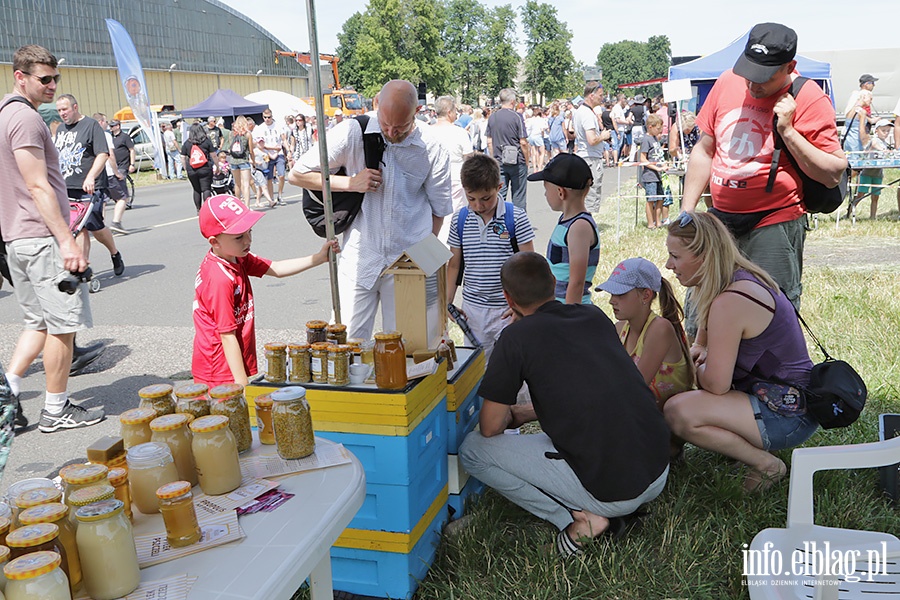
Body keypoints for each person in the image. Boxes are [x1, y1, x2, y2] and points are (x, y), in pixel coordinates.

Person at [458, 252, 670, 558]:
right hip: (656, 469)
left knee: (472, 450)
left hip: (615, 491)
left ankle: (580, 519)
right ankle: (591, 508)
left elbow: (490, 428)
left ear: (508, 297)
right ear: (554, 283)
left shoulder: (515, 338)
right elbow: (600, 390)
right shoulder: (594, 315)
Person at [680, 22, 846, 309]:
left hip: (774, 221)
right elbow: (705, 150)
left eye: (763, 78)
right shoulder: (727, 81)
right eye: (748, 74)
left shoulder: (808, 97)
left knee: (771, 311)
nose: (753, 85)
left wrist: (789, 132)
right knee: (702, 311)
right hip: (719, 221)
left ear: (789, 66)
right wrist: (687, 210)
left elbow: (833, 173)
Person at [663, 211, 818, 492]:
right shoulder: (738, 279)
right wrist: (700, 348)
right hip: (787, 400)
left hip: (788, 416)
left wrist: (690, 364)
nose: (668, 264)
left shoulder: (731, 300)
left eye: (675, 256)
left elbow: (716, 385)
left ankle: (767, 465)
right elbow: (709, 338)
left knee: (677, 411)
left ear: (705, 255)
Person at [290, 79, 452, 340]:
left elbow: (439, 211)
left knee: (410, 347)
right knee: (348, 343)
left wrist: (422, 263)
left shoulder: (432, 147)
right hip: (360, 257)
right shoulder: (353, 131)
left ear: (417, 113)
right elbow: (297, 174)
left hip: (408, 259)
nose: (391, 131)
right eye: (385, 123)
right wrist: (350, 183)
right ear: (376, 104)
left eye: (400, 126)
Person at [1, 44, 105, 433]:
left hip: (19, 237)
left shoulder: (5, 116)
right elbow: (36, 184)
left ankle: (8, 389)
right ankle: (56, 409)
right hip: (40, 237)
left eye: (55, 78)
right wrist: (65, 240)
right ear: (20, 76)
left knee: (38, 322)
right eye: (44, 79)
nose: (51, 85)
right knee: (63, 324)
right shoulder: (24, 120)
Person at [192, 195, 339, 388]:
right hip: (218, 368)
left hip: (229, 362)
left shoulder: (236, 256)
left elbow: (276, 268)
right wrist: (242, 385)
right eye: (239, 237)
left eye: (249, 232)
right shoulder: (219, 278)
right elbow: (226, 336)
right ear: (215, 242)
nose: (248, 240)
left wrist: (318, 258)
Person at [446, 154, 536, 359]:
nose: (478, 205)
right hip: (473, 312)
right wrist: (447, 302)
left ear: (499, 186)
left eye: (485, 198)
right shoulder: (459, 220)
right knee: (478, 371)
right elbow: (453, 265)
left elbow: (529, 266)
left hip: (507, 309)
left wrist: (521, 307)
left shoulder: (516, 217)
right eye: (471, 198)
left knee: (515, 368)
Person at [596, 257, 693, 415]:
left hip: (667, 422)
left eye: (620, 294)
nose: (611, 301)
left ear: (646, 295)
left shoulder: (660, 329)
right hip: (641, 416)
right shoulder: (620, 328)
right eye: (611, 294)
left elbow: (635, 387)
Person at [54, 94, 125, 277]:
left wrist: (91, 177)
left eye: (65, 109)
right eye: (59, 110)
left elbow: (102, 154)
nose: (62, 113)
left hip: (90, 187)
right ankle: (81, 270)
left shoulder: (91, 126)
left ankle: (115, 254)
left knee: (96, 228)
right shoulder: (61, 129)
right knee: (78, 228)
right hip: (68, 187)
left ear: (75, 107)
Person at [528, 154, 599, 305]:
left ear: (561, 192)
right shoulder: (566, 222)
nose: (545, 194)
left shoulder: (579, 227)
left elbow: (576, 283)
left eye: (546, 189)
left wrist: (568, 319)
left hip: (569, 310)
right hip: (557, 306)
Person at [430, 95, 474, 240]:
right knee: (454, 214)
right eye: (455, 110)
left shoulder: (427, 131)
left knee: (434, 213)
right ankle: (451, 246)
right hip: (455, 176)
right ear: (449, 112)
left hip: (432, 177)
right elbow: (468, 156)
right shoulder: (459, 132)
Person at [485, 88, 529, 211]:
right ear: (513, 101)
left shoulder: (492, 117)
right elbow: (523, 142)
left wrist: (494, 159)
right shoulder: (517, 117)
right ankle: (519, 225)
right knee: (519, 196)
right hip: (517, 160)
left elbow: (489, 141)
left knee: (499, 195)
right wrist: (526, 160)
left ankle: (497, 224)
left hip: (499, 160)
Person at [573, 82, 612, 213]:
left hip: (585, 157)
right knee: (591, 194)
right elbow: (592, 139)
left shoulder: (581, 112)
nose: (602, 98)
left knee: (584, 194)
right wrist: (603, 136)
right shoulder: (587, 114)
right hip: (591, 159)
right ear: (591, 95)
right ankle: (588, 226)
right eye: (600, 95)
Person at [848, 118, 893, 220]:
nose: (886, 133)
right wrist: (883, 150)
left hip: (878, 173)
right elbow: (874, 145)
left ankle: (872, 217)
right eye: (883, 130)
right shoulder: (874, 140)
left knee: (875, 196)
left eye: (888, 131)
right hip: (866, 173)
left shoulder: (884, 143)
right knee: (860, 194)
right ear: (876, 130)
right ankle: (849, 212)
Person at [92, 113, 129, 235]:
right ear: (101, 122)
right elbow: (110, 155)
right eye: (106, 121)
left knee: (103, 200)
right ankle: (116, 222)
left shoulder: (90, 134)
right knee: (122, 197)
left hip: (97, 173)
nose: (108, 124)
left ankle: (100, 225)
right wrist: (116, 172)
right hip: (108, 172)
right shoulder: (105, 135)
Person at [640, 114, 666, 229]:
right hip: (650, 175)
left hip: (659, 175)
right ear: (650, 127)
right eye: (658, 128)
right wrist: (656, 168)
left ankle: (658, 221)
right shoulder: (646, 139)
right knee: (651, 199)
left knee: (660, 198)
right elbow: (642, 158)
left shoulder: (655, 138)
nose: (660, 130)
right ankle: (651, 223)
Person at [181, 122, 215, 212]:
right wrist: (217, 165)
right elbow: (213, 155)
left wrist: (185, 167)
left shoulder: (187, 143)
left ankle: (198, 209)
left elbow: (182, 157)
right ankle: (207, 209)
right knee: (206, 189)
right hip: (205, 168)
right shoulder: (206, 141)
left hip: (192, 169)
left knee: (196, 189)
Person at [257, 109, 287, 205]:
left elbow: (283, 139)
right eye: (265, 117)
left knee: (281, 175)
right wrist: (272, 148)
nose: (267, 119)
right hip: (267, 154)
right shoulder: (260, 128)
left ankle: (280, 195)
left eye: (269, 117)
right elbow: (260, 144)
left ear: (272, 116)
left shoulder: (278, 126)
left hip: (279, 153)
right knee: (269, 178)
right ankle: (271, 198)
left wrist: (288, 150)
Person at [108, 119, 136, 209]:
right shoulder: (110, 137)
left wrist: (132, 164)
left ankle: (125, 201)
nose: (111, 128)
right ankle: (119, 200)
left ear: (118, 126)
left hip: (123, 164)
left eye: (112, 126)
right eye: (110, 126)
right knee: (112, 184)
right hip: (113, 164)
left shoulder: (125, 137)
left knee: (120, 182)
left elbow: (132, 150)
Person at [228, 115, 253, 207]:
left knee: (237, 184)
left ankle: (238, 204)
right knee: (245, 184)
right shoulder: (247, 134)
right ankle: (247, 206)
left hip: (233, 160)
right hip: (243, 160)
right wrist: (253, 160)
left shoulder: (231, 134)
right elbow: (250, 150)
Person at [251, 137, 275, 208]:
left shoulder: (265, 151)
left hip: (265, 170)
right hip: (258, 170)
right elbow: (249, 160)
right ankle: (270, 201)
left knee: (260, 187)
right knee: (264, 186)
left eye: (262, 142)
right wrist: (256, 162)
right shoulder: (255, 151)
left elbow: (271, 157)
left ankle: (257, 202)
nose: (261, 144)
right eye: (259, 143)